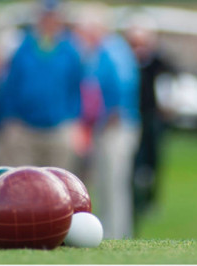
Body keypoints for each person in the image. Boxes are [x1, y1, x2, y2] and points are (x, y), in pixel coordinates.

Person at [76, 4, 141, 239]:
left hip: (116, 127)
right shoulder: (99, 52)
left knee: (114, 184)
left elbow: (121, 88)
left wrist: (109, 117)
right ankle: (109, 231)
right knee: (104, 183)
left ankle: (117, 233)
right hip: (104, 127)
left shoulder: (113, 50)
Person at [0, 0, 82, 170]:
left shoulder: (70, 50)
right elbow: (10, 86)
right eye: (45, 16)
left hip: (58, 128)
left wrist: (73, 122)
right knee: (22, 184)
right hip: (24, 128)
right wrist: (8, 119)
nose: (49, 21)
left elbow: (76, 88)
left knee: (57, 187)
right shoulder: (23, 47)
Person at [124, 16, 177, 225]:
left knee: (153, 158)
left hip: (152, 116)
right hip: (132, 117)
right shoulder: (126, 61)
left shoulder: (158, 61)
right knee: (134, 160)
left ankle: (150, 198)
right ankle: (135, 198)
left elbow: (170, 82)